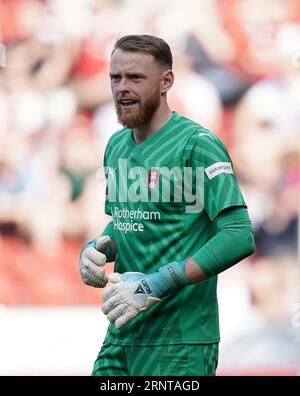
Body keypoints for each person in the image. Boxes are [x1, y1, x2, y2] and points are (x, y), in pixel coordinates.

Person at [79, 34, 255, 376]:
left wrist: (157, 284)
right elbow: (127, 222)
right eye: (115, 77)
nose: (122, 88)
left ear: (166, 81)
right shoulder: (115, 145)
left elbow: (239, 235)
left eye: (136, 78)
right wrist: (97, 249)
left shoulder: (197, 145)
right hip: (123, 331)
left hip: (179, 339)